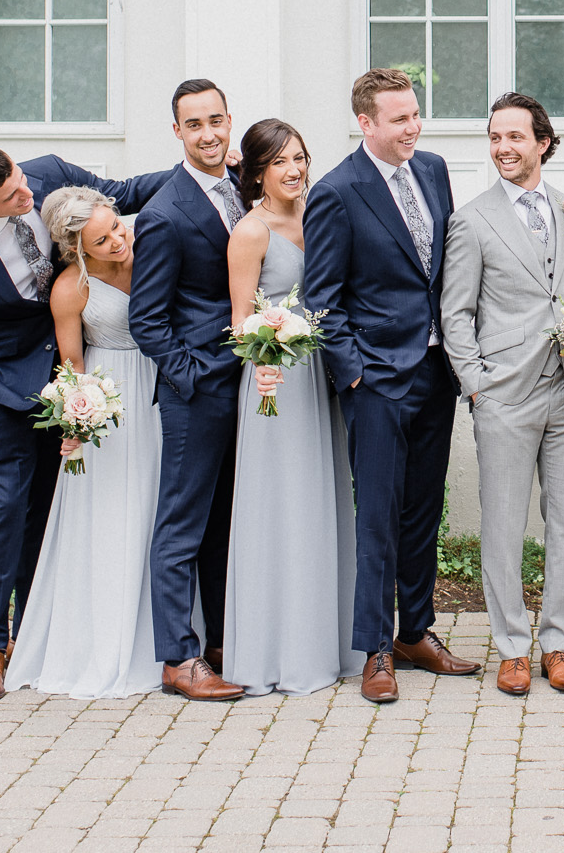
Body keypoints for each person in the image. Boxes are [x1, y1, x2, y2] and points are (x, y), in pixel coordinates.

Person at [0, 143, 167, 701]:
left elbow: (122, 194)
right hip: (3, 388)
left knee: (59, 512)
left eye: (20, 179)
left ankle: (41, 629)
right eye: (11, 197)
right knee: (6, 509)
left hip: (82, 372)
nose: (26, 194)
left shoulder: (47, 174)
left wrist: (201, 168)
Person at [304, 68, 478, 704]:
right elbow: (322, 299)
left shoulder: (432, 169)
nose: (414, 128)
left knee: (423, 510)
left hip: (435, 371)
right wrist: (355, 374)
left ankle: (416, 633)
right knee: (377, 515)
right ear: (365, 122)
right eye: (399, 119)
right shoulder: (336, 191)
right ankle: (375, 648)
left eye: (415, 114)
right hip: (376, 379)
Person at [440, 94, 564, 697]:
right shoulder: (472, 220)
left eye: (515, 137)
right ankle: (510, 647)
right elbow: (456, 313)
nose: (503, 148)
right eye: (495, 137)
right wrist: (477, 385)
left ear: (542, 143)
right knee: (503, 526)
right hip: (504, 393)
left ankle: (559, 643)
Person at [2, 187, 165, 698]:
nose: (118, 240)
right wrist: (78, 415)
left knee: (158, 506)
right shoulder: (71, 288)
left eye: (116, 226)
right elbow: (72, 364)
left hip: (161, 386)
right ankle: (106, 639)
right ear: (76, 248)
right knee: (113, 512)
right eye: (102, 239)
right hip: (108, 396)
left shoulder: (148, 252)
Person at [223, 119, 364, 696]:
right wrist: (261, 358)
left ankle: (329, 642)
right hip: (275, 379)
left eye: (300, 157)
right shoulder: (250, 232)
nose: (294, 170)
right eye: (279, 161)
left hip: (324, 372)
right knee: (280, 505)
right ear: (258, 172)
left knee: (323, 498)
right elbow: (239, 319)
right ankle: (277, 651)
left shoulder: (322, 212)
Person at [130, 79, 249, 702]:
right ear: (176, 132)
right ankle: (178, 657)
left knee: (224, 520)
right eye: (194, 124)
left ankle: (223, 642)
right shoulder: (164, 213)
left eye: (216, 121)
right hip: (197, 390)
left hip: (248, 383)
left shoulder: (242, 187)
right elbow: (147, 319)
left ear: (229, 122)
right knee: (182, 524)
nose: (208, 134)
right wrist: (192, 375)